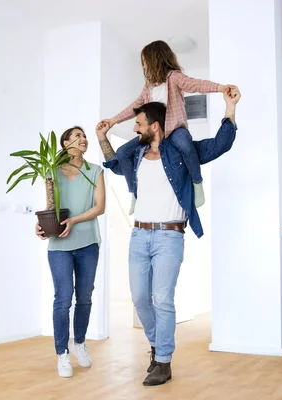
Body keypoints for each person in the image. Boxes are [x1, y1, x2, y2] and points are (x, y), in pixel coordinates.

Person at [96, 87, 241, 386]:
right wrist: (102, 138)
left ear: (155, 126)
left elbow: (220, 144)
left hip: (169, 237)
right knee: (139, 299)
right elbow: (112, 165)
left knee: (162, 299)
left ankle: (163, 360)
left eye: (138, 124)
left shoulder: (181, 153)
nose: (134, 128)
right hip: (139, 235)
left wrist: (230, 108)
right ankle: (157, 345)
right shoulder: (135, 155)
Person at [98, 39, 235, 208]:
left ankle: (197, 184)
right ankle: (134, 192)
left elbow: (195, 84)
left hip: (175, 129)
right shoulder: (148, 87)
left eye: (144, 62)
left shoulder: (174, 77)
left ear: (154, 59)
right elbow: (136, 105)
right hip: (154, 134)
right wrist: (113, 120)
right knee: (123, 151)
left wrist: (220, 88)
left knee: (185, 145)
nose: (143, 67)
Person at [35, 126, 105, 378]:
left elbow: (100, 207)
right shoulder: (51, 172)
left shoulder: (95, 171)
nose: (83, 139)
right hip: (59, 247)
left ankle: (80, 343)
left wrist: (74, 221)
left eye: (84, 136)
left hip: (88, 243)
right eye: (77, 136)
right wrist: (41, 227)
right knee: (62, 299)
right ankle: (62, 353)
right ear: (65, 144)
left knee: (84, 296)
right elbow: (50, 208)